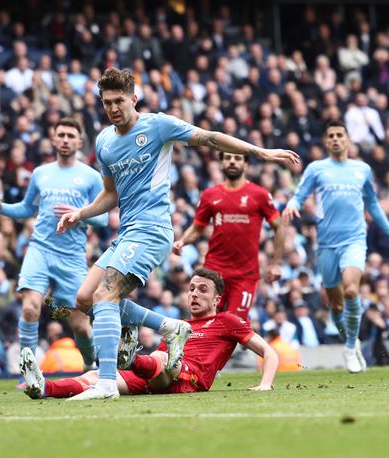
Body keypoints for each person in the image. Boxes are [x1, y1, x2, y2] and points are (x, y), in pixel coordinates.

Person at [56, 67, 298, 400]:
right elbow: (111, 194)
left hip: (152, 229)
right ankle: (171, 326)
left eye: (119, 101)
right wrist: (80, 213)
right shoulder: (104, 142)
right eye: (107, 102)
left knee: (106, 296)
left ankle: (107, 383)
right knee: (84, 299)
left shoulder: (157, 126)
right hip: (127, 232)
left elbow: (211, 137)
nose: (113, 108)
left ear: (133, 99)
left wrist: (260, 152)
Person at [19, 268, 278, 399]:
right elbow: (160, 358)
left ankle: (129, 357)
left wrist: (265, 384)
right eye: (191, 289)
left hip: (189, 380)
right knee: (97, 376)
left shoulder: (226, 320)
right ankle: (43, 387)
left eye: (203, 290)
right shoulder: (177, 323)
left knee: (161, 360)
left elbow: (269, 352)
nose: (195, 294)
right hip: (157, 375)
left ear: (217, 299)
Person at [0, 117, 108, 370]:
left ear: (80, 142)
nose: (65, 140)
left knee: (80, 325)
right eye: (60, 134)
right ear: (53, 139)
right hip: (39, 249)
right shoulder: (41, 173)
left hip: (71, 256)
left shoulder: (91, 176)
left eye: (70, 136)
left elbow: (103, 218)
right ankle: (29, 370)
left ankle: (89, 365)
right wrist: (2, 209)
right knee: (30, 307)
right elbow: (28, 208)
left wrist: (79, 214)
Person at [283, 119, 389, 373]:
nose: (335, 139)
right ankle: (350, 341)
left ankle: (351, 346)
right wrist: (293, 204)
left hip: (354, 239)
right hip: (326, 244)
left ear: (347, 139)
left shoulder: (361, 169)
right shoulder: (317, 168)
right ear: (326, 140)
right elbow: (300, 195)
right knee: (335, 305)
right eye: (331, 135)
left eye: (340, 135)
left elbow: (372, 204)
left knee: (352, 290)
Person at [172, 151, 285, 319]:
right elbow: (197, 228)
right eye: (228, 158)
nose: (232, 162)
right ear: (222, 163)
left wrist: (276, 263)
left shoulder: (259, 195)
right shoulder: (210, 195)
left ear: (246, 165)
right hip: (214, 270)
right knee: (204, 319)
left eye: (237, 158)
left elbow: (279, 226)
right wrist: (182, 241)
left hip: (245, 275)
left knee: (233, 324)